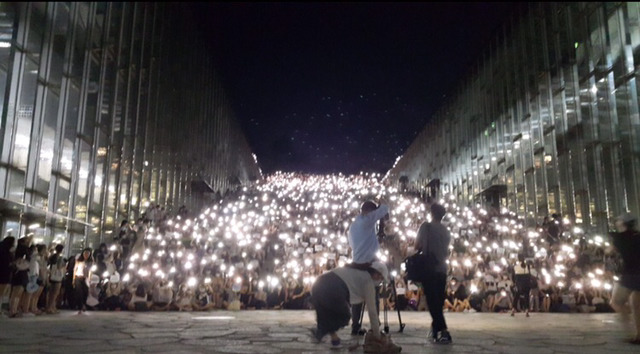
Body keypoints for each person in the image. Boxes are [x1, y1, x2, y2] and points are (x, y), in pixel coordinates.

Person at [309, 261, 400, 353]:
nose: (379, 281)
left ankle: (334, 340)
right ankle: (320, 332)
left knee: (327, 315)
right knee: (344, 316)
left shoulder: (356, 270)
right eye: (380, 278)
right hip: (333, 289)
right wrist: (377, 335)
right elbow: (372, 312)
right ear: (376, 274)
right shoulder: (368, 282)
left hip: (318, 285)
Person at [347, 200, 389, 335]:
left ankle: (355, 326)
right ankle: (375, 326)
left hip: (356, 263)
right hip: (368, 264)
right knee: (373, 296)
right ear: (368, 211)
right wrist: (383, 203)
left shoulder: (353, 226)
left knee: (357, 298)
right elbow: (384, 209)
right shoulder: (366, 220)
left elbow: (352, 245)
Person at [415, 203, 452, 344]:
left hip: (429, 268)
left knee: (432, 301)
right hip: (442, 269)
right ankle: (435, 328)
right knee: (438, 301)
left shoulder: (426, 227)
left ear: (431, 213)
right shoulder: (446, 230)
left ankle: (443, 330)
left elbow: (417, 245)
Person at [609, 212, 640, 344]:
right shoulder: (638, 236)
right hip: (635, 272)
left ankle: (631, 329)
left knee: (616, 302)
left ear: (622, 223)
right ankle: (638, 334)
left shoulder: (619, 238)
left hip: (630, 273)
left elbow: (610, 251)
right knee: (636, 305)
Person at [73, 248, 93, 314]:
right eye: (85, 254)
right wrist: (73, 279)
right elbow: (75, 270)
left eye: (87, 254)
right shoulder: (78, 261)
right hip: (78, 277)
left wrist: (89, 279)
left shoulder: (90, 262)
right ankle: (80, 307)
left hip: (85, 278)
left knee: (85, 292)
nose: (86, 255)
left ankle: (83, 304)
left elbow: (90, 271)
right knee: (79, 292)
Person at [46, 244, 65, 314]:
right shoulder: (59, 257)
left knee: (51, 293)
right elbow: (59, 267)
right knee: (55, 293)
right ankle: (51, 308)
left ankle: (50, 307)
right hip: (57, 276)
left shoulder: (52, 256)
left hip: (52, 275)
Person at [0, 237, 15, 315]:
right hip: (5, 273)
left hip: (2, 272)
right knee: (1, 292)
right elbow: (9, 262)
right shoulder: (7, 252)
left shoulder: (2, 249)